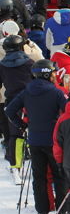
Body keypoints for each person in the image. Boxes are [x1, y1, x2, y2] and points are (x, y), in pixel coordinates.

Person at [5, 59, 68, 214]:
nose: (55, 75)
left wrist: (23, 125)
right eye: (53, 73)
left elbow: (9, 110)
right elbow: (68, 111)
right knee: (59, 176)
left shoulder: (27, 91)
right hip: (53, 141)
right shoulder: (56, 93)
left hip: (34, 139)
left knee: (39, 178)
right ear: (47, 74)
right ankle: (62, 211)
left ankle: (43, 212)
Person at [0, 35, 35, 182]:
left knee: (15, 135)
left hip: (12, 102)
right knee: (33, 131)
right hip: (30, 101)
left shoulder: (2, 65)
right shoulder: (29, 62)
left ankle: (16, 167)